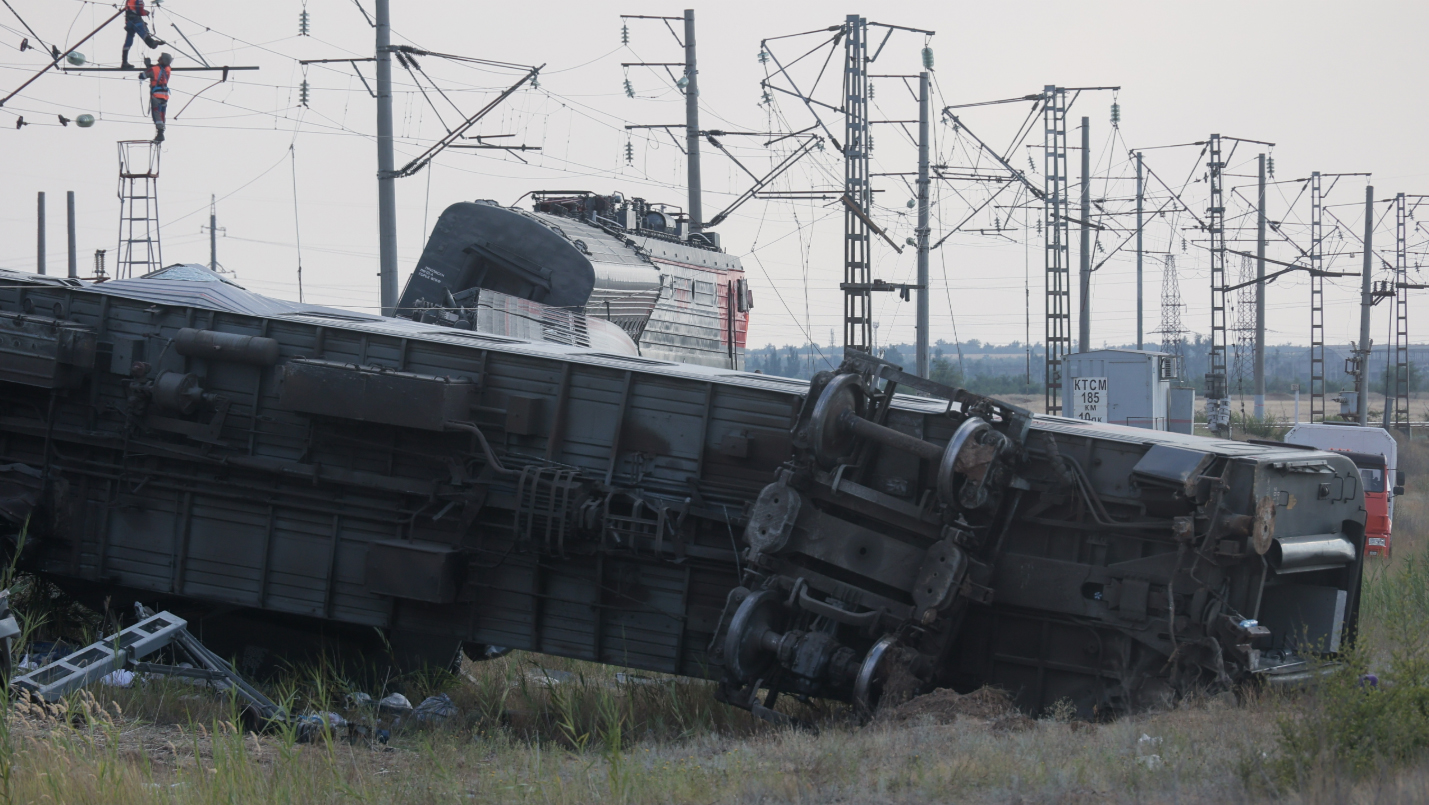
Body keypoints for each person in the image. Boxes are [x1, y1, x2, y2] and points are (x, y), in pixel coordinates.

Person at [121, 0, 165, 70]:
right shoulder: (138, 0)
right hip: (135, 21)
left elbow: (132, 9)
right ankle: (152, 43)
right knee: (143, 32)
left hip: (129, 22)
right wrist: (145, 12)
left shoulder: (129, 1)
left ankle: (124, 62)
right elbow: (139, 11)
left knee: (128, 42)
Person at [141, 53, 172, 143]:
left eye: (160, 58)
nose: (158, 59)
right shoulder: (168, 69)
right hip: (165, 96)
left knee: (156, 115)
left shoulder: (154, 69)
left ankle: (160, 134)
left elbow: (143, 75)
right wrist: (149, 66)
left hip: (156, 97)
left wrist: (148, 66)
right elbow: (159, 70)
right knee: (162, 115)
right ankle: (161, 132)